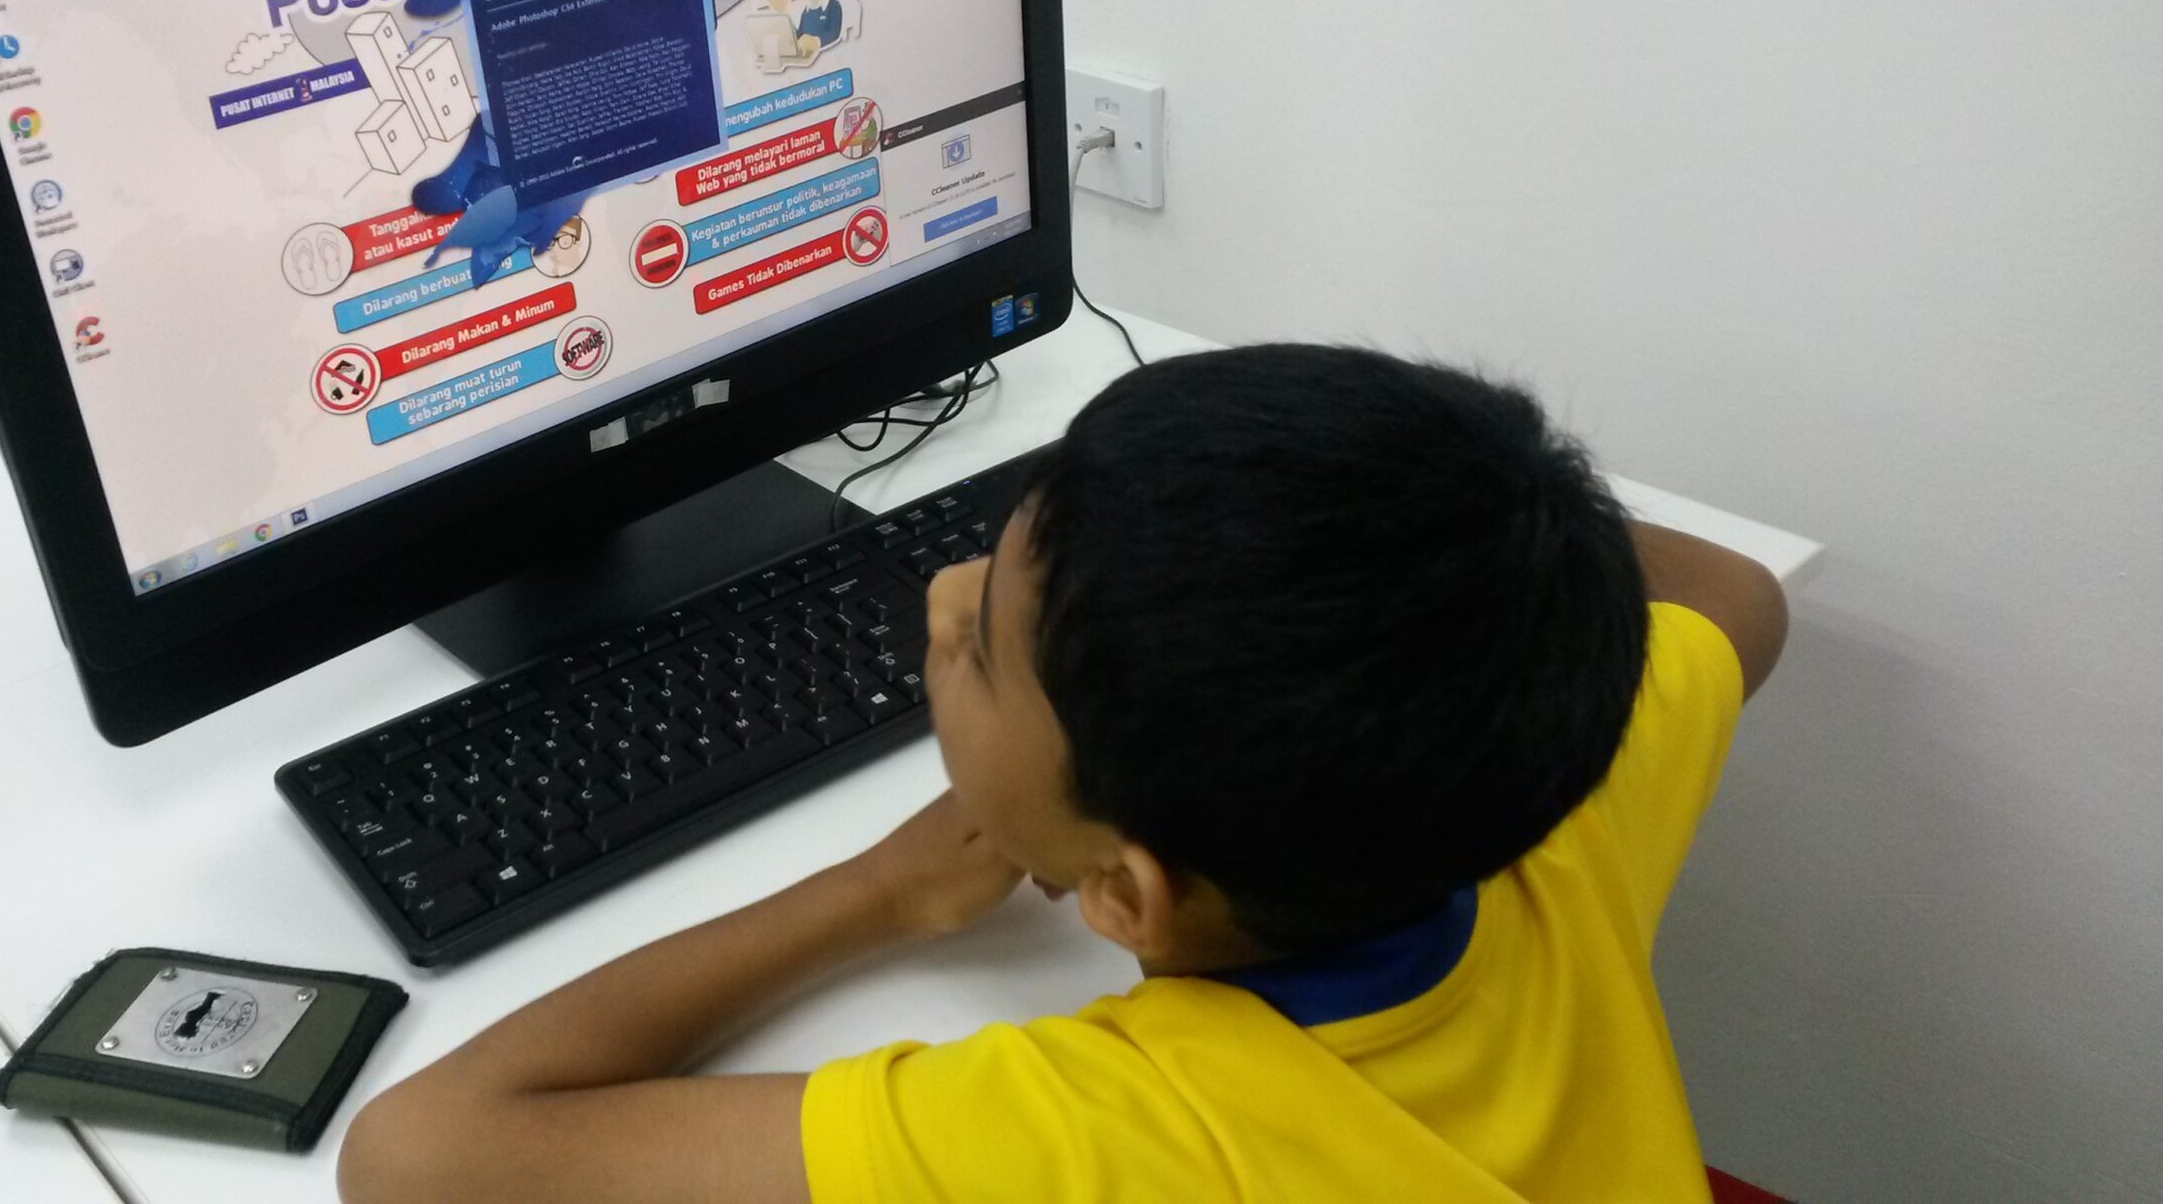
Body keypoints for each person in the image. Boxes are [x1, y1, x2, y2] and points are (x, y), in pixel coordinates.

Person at [337, 343, 1790, 1203]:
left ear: (1125, 895)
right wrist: (1450, 525)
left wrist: (874, 894)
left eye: (983, 651)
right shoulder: (1552, 824)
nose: (941, 594)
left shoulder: (1115, 1141)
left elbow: (416, 1156)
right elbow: (1740, 596)